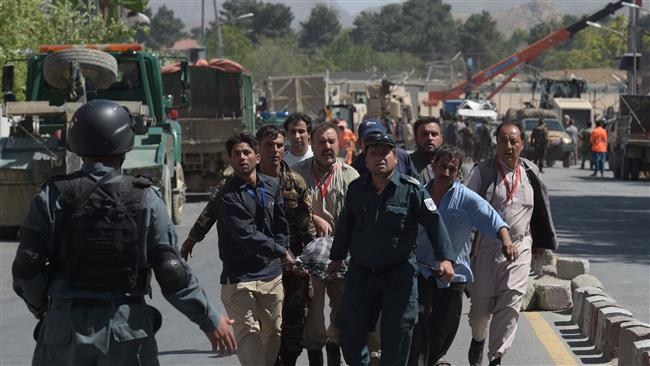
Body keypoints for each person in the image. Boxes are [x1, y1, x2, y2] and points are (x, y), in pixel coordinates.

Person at [12, 99, 236, 366]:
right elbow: (172, 271)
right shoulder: (145, 197)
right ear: (125, 144)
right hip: (127, 330)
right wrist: (209, 319)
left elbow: (27, 266)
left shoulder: (52, 195)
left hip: (63, 330)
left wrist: (40, 305)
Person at [329, 132, 456, 366]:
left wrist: (445, 259)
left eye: (385, 153)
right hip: (361, 273)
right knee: (350, 336)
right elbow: (345, 226)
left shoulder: (412, 189)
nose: (380, 158)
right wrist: (335, 258)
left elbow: (434, 223)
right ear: (365, 159)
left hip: (399, 275)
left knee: (397, 340)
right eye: (373, 153)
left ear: (396, 158)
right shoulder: (356, 189)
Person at [181, 133, 295, 366]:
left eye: (246, 152)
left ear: (257, 157)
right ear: (230, 160)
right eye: (236, 154)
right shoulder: (226, 195)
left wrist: (283, 250)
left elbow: (281, 224)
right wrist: (192, 238)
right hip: (239, 279)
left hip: (271, 276)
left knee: (274, 333)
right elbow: (246, 233)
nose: (242, 157)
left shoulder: (272, 186)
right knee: (249, 335)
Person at [409, 145, 516, 366]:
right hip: (421, 270)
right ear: (433, 166)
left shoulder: (467, 198)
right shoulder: (418, 194)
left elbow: (493, 219)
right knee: (417, 325)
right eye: (442, 167)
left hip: (454, 276)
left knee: (444, 328)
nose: (445, 172)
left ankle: (432, 360)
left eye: (451, 168)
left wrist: (506, 241)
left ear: (458, 172)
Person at [465, 122, 558, 366]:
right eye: (503, 140)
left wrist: (539, 240)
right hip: (485, 249)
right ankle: (478, 339)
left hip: (520, 247)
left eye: (514, 140)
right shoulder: (482, 172)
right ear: (496, 143)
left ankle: (496, 357)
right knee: (480, 310)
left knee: (511, 303)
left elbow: (541, 208)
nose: (509, 145)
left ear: (522, 144)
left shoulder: (530, 172)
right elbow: (465, 209)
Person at [293, 123, 360, 365]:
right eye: (321, 142)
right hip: (308, 258)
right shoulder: (296, 174)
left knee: (343, 312)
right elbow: (287, 210)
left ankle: (335, 348)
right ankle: (315, 356)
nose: (327, 147)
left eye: (332, 141)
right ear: (313, 144)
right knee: (311, 315)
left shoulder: (351, 176)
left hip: (341, 257)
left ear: (340, 143)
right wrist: (312, 217)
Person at [254, 125, 317, 365]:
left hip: (292, 267)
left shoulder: (296, 182)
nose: (275, 150)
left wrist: (308, 264)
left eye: (279, 145)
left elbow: (307, 228)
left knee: (293, 326)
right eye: (269, 145)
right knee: (265, 327)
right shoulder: (247, 182)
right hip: (261, 269)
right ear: (258, 149)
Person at [352, 118, 418, 178]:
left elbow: (416, 181)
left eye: (378, 137)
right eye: (369, 139)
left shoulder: (401, 156)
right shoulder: (354, 168)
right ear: (360, 143)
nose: (374, 142)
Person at [409, 117, 444, 183]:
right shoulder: (407, 165)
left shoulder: (452, 165)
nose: (430, 138)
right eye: (425, 134)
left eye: (434, 134)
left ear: (441, 138)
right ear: (415, 138)